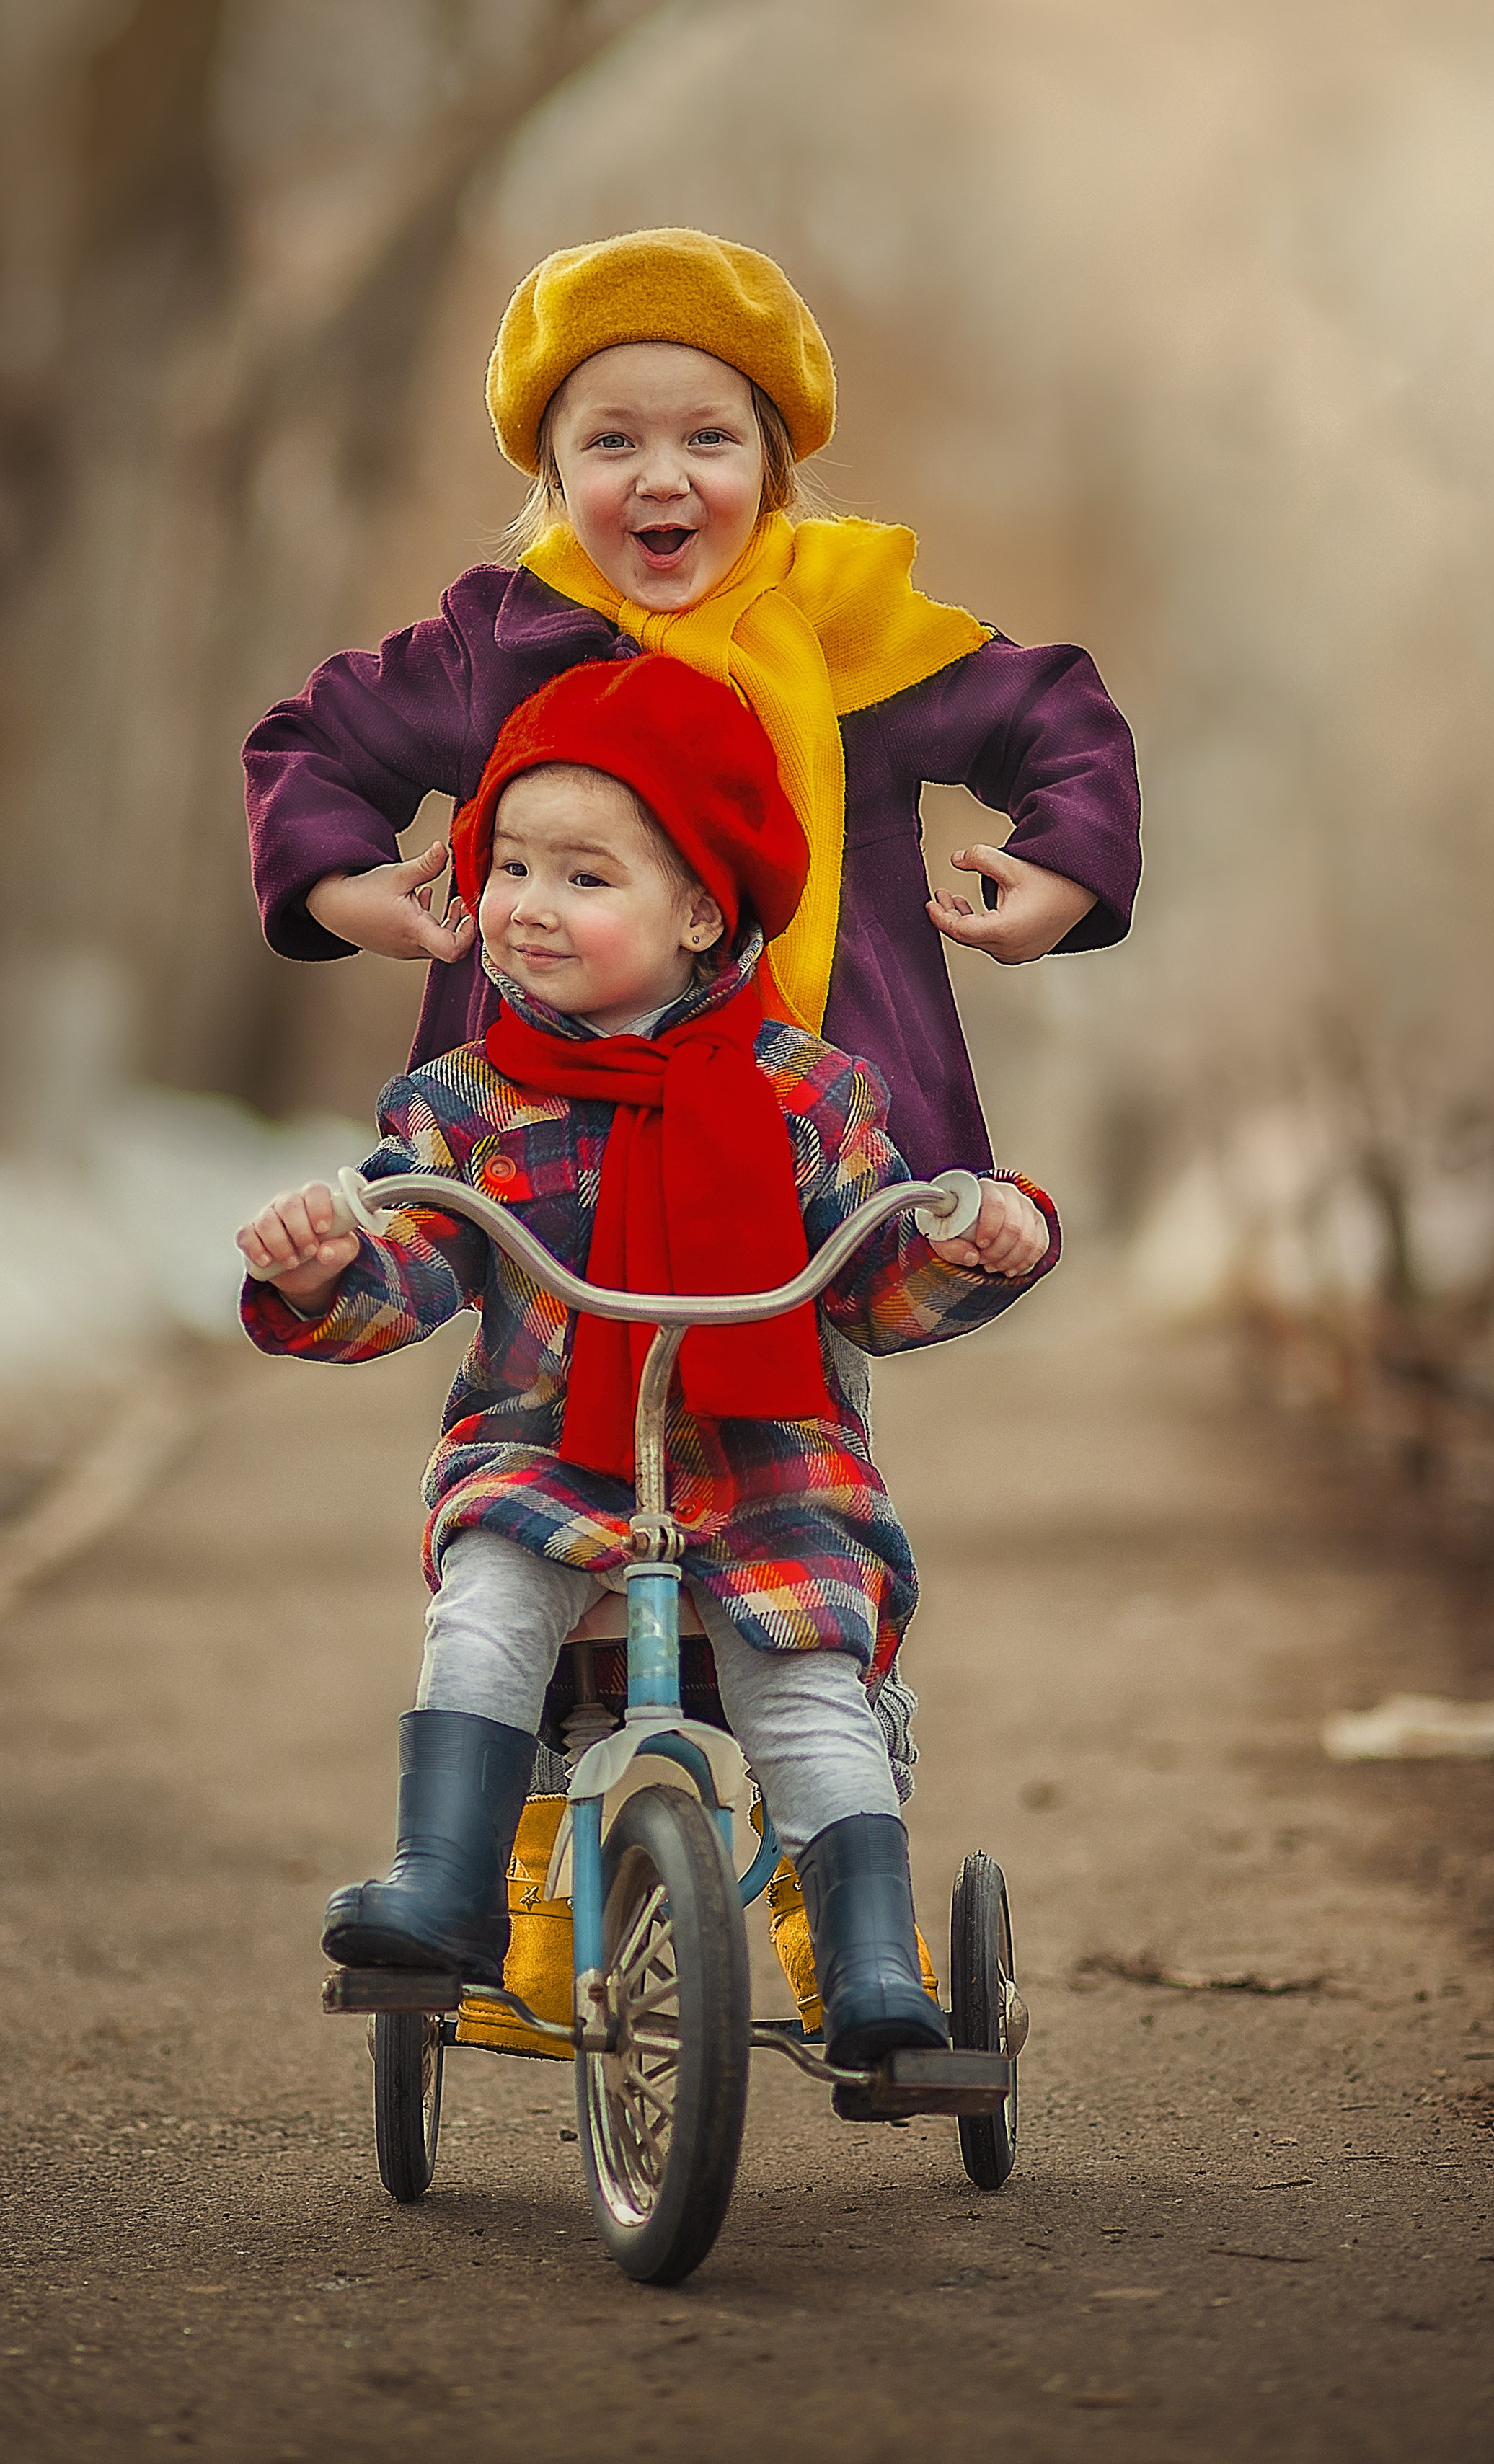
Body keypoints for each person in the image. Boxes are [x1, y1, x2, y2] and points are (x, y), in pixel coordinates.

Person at [237, 658, 1059, 2070]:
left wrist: (978, 1234)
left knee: (806, 1679)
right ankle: (446, 1887)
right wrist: (319, 1267)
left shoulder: (810, 1091)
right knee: (486, 1598)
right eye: (507, 865)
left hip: (763, 1469)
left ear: (698, 910)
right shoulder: (464, 1104)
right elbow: (411, 1264)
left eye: (583, 876)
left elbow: (871, 1277)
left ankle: (866, 1961)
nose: (528, 904)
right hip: (545, 1451)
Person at [242, 223, 1141, 1184]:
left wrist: (1064, 869)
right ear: (552, 474)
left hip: (819, 1140)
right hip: (545, 1136)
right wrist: (340, 889)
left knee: (800, 1329)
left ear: (773, 467)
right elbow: (314, 745)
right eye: (612, 440)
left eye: (708, 438)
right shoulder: (501, 647)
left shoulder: (851, 629)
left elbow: (1053, 716)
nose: (661, 476)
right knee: (540, 1326)